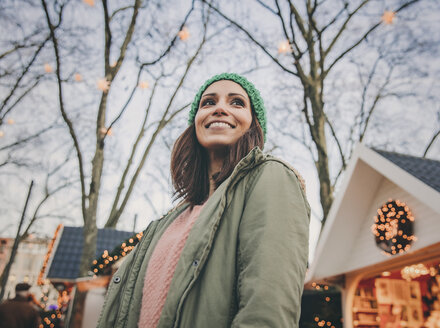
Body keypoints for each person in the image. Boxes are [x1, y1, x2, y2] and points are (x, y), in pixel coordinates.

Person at [97, 73, 310, 327]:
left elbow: (267, 311)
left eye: (237, 102)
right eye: (208, 102)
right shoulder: (171, 219)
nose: (220, 108)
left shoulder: (271, 177)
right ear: (195, 121)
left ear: (254, 124)